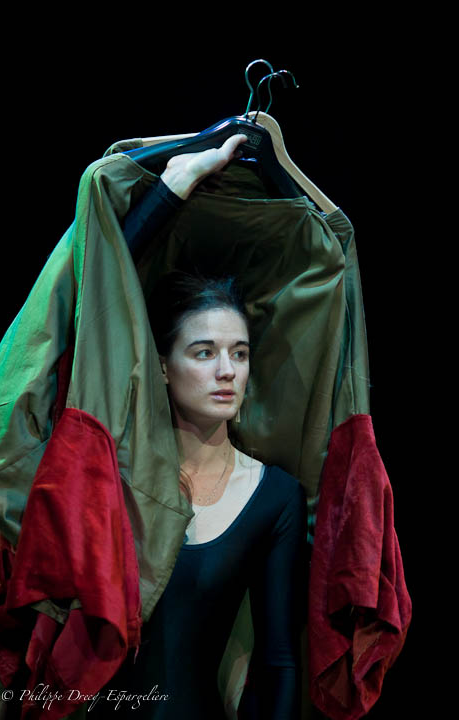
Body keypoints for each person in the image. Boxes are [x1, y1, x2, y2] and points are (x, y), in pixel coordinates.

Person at [90, 135, 309, 719]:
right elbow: (89, 306)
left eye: (239, 353)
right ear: (163, 366)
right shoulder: (113, 469)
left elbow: (279, 661)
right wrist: (174, 186)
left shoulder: (274, 496)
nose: (226, 371)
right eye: (204, 352)